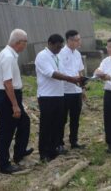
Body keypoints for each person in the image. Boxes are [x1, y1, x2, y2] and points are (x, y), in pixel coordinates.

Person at [35, 34, 82, 162]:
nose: (59, 49)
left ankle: (53, 149)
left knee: (57, 124)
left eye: (61, 47)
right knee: (46, 125)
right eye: (57, 46)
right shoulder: (42, 56)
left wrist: (77, 79)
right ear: (50, 43)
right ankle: (44, 153)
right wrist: (71, 79)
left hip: (59, 95)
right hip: (47, 96)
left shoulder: (57, 56)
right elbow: (51, 73)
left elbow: (63, 72)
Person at [0, 29, 33, 174]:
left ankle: (19, 152)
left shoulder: (9, 54)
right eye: (25, 42)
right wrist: (15, 105)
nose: (25, 45)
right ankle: (3, 164)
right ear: (17, 43)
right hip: (6, 97)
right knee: (6, 132)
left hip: (8, 96)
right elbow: (7, 83)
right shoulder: (8, 56)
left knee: (24, 122)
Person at [58, 30, 86, 150]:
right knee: (62, 119)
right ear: (69, 40)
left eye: (80, 39)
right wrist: (73, 79)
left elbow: (80, 71)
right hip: (65, 91)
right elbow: (60, 72)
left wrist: (83, 88)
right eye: (76, 40)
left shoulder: (77, 54)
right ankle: (59, 143)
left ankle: (74, 141)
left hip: (76, 91)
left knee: (75, 118)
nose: (79, 42)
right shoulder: (61, 54)